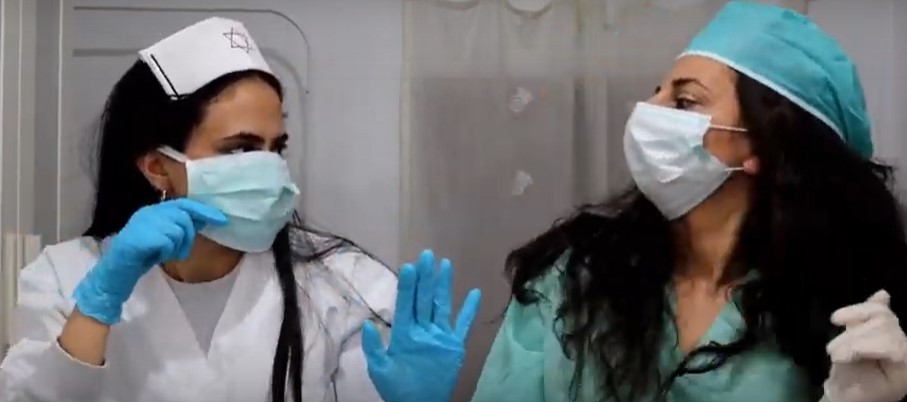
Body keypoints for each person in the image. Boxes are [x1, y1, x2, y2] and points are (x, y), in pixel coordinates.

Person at [362, 2, 907, 402]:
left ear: (763, 146)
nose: (649, 112)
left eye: (684, 101)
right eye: (657, 92)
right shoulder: (573, 282)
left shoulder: (849, 315)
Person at [0, 17, 397, 402]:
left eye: (276, 148)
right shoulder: (64, 278)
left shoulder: (346, 285)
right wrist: (96, 305)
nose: (269, 168)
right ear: (158, 167)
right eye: (240, 149)